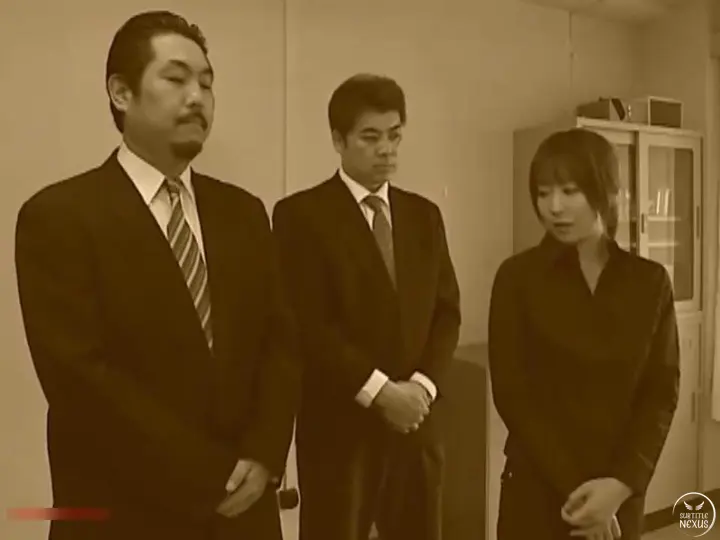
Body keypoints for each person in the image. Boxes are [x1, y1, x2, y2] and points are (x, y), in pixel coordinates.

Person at [14, 11, 299, 540]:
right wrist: (209, 475)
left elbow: (279, 344)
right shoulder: (59, 216)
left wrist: (264, 455)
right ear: (121, 93)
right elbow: (80, 380)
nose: (197, 97)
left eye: (207, 83)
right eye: (176, 78)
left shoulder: (243, 212)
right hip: (126, 513)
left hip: (246, 511)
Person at [272, 74, 461, 540]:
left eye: (394, 136)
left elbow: (446, 313)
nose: (386, 150)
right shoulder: (300, 215)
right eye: (370, 137)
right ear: (339, 141)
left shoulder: (423, 216)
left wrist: (421, 388)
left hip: (416, 423)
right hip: (341, 427)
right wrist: (381, 392)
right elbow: (308, 324)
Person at [488, 127, 680, 540]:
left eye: (570, 191)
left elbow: (660, 391)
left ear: (605, 190)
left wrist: (620, 485)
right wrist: (580, 493)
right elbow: (512, 393)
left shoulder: (648, 281)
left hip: (618, 492)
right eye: (543, 193)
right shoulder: (517, 278)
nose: (554, 207)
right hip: (537, 487)